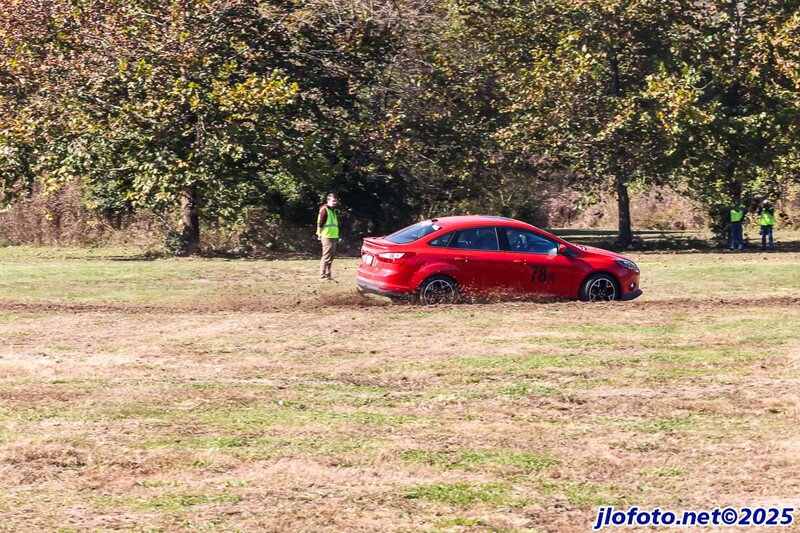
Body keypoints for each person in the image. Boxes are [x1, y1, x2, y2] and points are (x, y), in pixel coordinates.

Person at [316, 193, 340, 280]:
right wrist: (319, 233)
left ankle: (328, 275)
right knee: (326, 256)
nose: (334, 202)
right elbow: (320, 223)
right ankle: (322, 276)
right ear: (328, 200)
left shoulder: (332, 210)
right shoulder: (325, 209)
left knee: (331, 256)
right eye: (333, 201)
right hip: (327, 236)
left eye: (335, 201)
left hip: (333, 235)